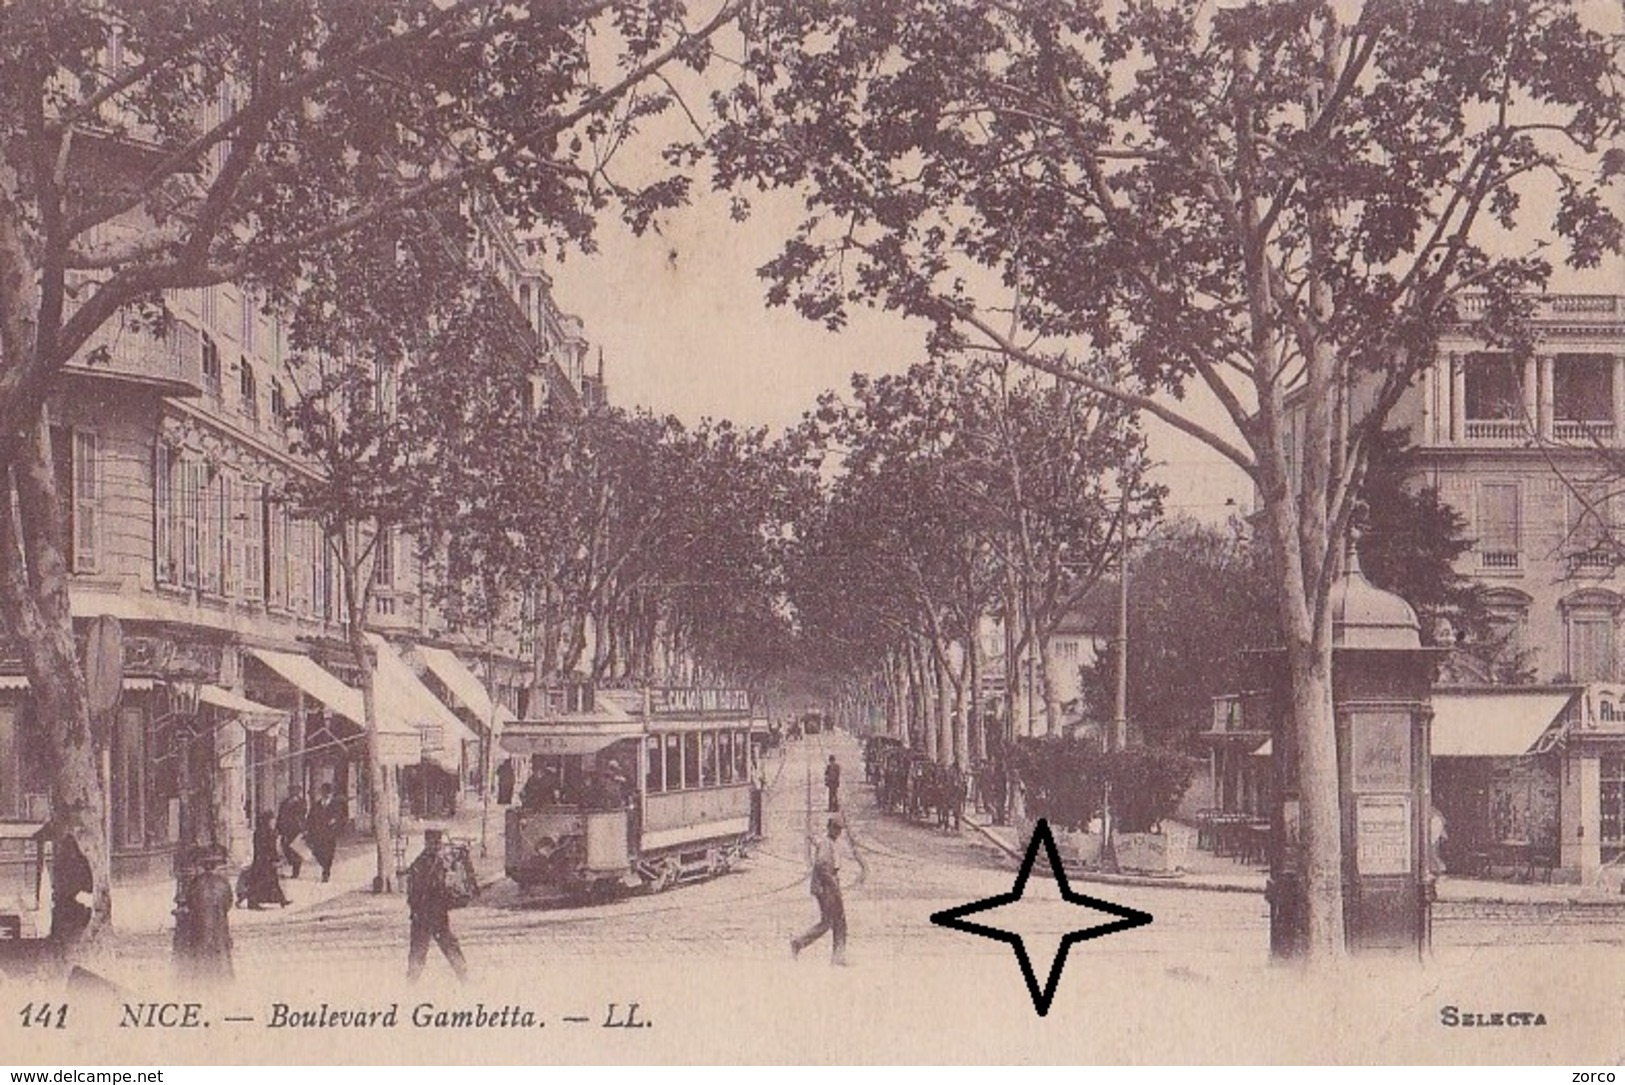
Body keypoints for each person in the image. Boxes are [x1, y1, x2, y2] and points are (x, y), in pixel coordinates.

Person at [791, 816, 867, 965]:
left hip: (827, 886)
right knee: (829, 922)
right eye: (836, 828)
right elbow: (822, 866)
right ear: (830, 828)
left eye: (840, 829)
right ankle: (798, 942)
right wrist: (834, 886)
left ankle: (837, 957)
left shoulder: (830, 842)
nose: (838, 832)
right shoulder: (827, 843)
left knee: (839, 922)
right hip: (826, 888)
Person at [406, 828, 469, 982]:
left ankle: (464, 977)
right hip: (428, 914)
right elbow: (416, 891)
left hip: (429, 914)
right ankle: (411, 982)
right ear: (427, 843)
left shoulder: (431, 863)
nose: (436, 846)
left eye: (437, 843)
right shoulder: (423, 864)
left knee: (428, 949)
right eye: (434, 843)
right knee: (431, 949)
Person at [176, 845, 235, 984]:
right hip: (220, 923)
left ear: (201, 866)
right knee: (220, 950)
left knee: (201, 950)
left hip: (201, 924)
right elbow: (228, 903)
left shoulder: (196, 883)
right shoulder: (223, 882)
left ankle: (202, 980)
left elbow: (190, 903)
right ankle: (222, 979)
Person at [50, 831, 94, 944]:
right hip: (71, 897)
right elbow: (89, 883)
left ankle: (59, 937)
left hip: (70, 897)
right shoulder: (80, 860)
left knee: (62, 914)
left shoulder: (65, 860)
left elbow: (57, 880)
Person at [240, 810, 289, 909]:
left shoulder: (267, 831)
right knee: (260, 883)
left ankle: (281, 900)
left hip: (265, 861)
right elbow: (266, 847)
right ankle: (252, 902)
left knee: (272, 882)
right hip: (262, 861)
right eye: (272, 820)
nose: (273, 822)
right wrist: (274, 858)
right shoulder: (262, 832)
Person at [305, 782, 345, 883]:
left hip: (330, 834)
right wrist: (308, 829)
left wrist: (335, 821)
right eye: (325, 792)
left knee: (329, 853)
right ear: (322, 793)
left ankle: (326, 872)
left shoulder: (335, 805)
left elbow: (341, 817)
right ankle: (324, 866)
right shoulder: (317, 805)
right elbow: (310, 818)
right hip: (318, 833)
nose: (326, 794)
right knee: (317, 851)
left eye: (329, 792)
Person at [276, 788, 307, 878]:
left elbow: (303, 815)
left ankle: (296, 871)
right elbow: (280, 815)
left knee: (296, 850)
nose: (292, 793)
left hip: (296, 829)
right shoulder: (284, 802)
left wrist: (304, 829)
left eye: (295, 791)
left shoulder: (301, 802)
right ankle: (291, 863)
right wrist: (279, 829)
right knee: (285, 847)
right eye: (291, 791)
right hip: (286, 829)